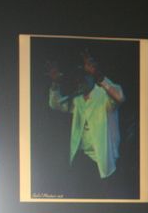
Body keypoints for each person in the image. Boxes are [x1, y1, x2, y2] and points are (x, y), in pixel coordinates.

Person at [47, 50, 125, 188]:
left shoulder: (104, 95)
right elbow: (55, 104)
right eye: (78, 79)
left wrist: (98, 75)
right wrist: (55, 83)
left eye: (83, 78)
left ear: (91, 77)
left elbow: (120, 97)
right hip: (82, 157)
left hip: (103, 159)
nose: (80, 82)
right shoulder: (77, 99)